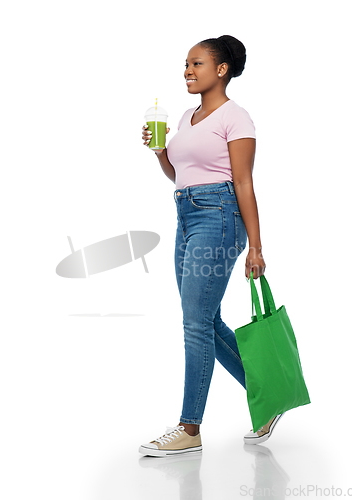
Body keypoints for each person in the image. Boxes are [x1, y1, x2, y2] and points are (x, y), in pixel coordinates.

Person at [139, 35, 283, 457]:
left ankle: (189, 427)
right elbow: (180, 176)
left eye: (196, 63)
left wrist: (255, 246)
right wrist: (160, 149)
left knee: (195, 324)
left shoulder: (236, 118)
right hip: (186, 216)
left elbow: (242, 182)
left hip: (219, 219)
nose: (187, 70)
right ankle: (269, 397)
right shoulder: (187, 116)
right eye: (185, 64)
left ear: (221, 70)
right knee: (203, 318)